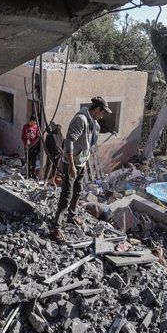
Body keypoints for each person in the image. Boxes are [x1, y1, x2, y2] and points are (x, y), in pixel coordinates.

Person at [52, 96, 111, 241]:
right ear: (97, 109)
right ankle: (56, 227)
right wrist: (71, 164)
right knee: (66, 194)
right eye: (102, 112)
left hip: (81, 163)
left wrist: (82, 162)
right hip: (71, 164)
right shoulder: (81, 120)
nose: (102, 116)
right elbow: (69, 142)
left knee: (78, 191)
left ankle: (71, 215)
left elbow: (88, 143)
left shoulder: (93, 123)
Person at [21, 115, 40, 179]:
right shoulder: (25, 127)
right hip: (27, 147)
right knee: (28, 160)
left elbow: (38, 136)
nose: (35, 123)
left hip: (34, 147)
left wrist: (35, 143)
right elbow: (23, 137)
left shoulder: (36, 127)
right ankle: (28, 174)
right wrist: (26, 143)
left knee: (34, 161)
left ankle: (33, 173)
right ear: (31, 121)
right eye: (34, 122)